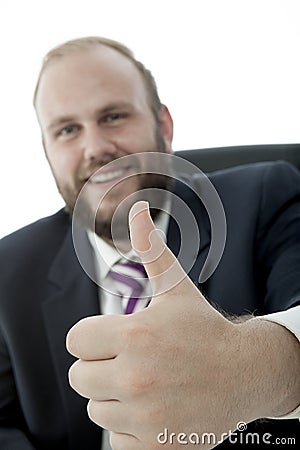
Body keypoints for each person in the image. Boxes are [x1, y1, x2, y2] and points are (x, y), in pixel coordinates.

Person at [0, 36, 299, 450]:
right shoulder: (8, 267)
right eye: (67, 130)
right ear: (48, 152)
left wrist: (249, 364)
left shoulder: (266, 196)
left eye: (114, 116)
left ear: (164, 125)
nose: (96, 148)